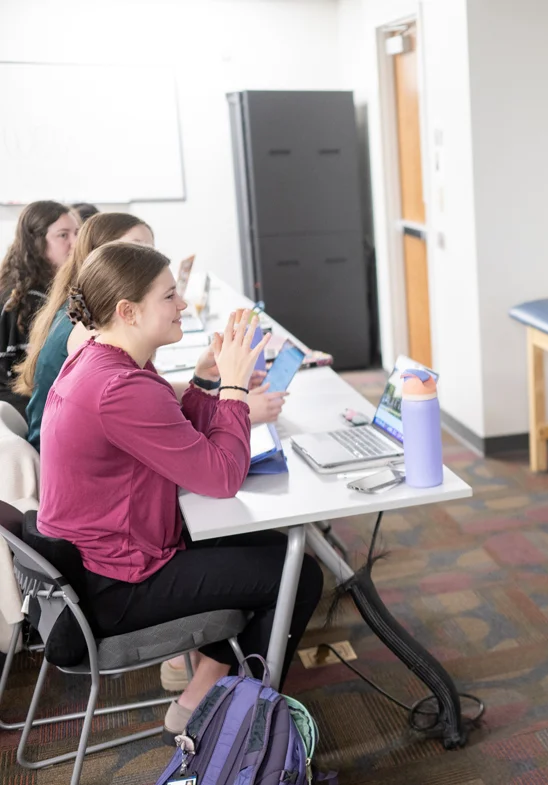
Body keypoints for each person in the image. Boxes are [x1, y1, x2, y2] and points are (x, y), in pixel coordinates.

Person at [36, 241, 323, 738]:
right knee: (299, 573)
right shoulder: (119, 387)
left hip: (97, 564)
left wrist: (208, 382)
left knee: (281, 551)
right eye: (170, 296)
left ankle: (216, 687)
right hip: (118, 582)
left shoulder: (104, 360)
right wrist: (234, 388)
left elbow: (177, 427)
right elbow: (220, 477)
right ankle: (227, 715)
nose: (183, 305)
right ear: (128, 311)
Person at [15, 212, 287, 451]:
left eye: (150, 248)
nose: (149, 257)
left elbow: (152, 396)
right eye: (137, 247)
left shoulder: (93, 316)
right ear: (105, 257)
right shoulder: (93, 335)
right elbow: (144, 407)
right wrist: (237, 401)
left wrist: (218, 387)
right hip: (63, 461)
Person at [0, 201, 78, 414]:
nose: (75, 242)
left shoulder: (51, 290)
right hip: (26, 409)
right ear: (36, 243)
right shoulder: (28, 300)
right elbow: (38, 378)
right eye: (63, 235)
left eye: (77, 233)